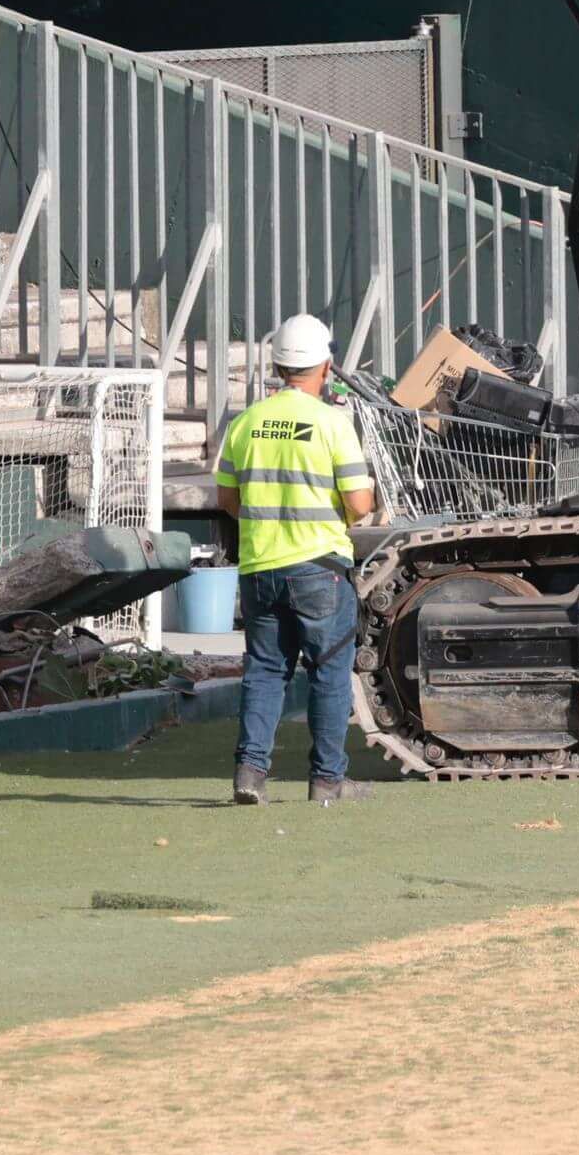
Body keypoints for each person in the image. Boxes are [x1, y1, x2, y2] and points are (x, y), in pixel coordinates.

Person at [218, 312, 379, 805]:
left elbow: (227, 499)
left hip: (260, 568)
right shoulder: (332, 423)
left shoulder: (245, 423)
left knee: (265, 671)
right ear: (326, 367)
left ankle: (250, 774)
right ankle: (328, 780)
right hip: (320, 571)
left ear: (278, 365)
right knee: (329, 671)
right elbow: (359, 504)